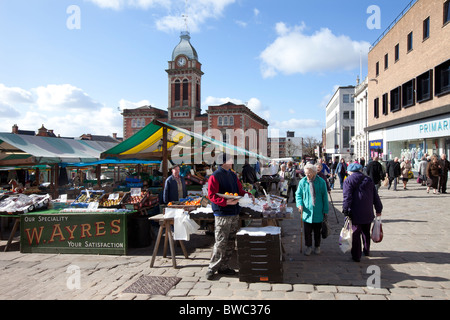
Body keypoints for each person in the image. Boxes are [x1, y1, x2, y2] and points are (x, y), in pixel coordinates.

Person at [206, 153, 253, 280]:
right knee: (221, 241)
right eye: (230, 159)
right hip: (222, 213)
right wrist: (226, 202)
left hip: (234, 212)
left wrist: (248, 194)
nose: (232, 161)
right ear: (223, 162)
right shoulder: (215, 176)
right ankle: (212, 267)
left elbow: (239, 190)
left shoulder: (232, 174)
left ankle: (224, 266)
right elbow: (211, 195)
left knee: (231, 241)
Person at [342, 163, 382, 262]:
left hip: (355, 212)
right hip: (367, 211)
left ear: (350, 171)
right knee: (366, 232)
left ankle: (356, 255)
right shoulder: (368, 180)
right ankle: (367, 250)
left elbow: (347, 197)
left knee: (355, 234)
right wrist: (378, 209)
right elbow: (375, 196)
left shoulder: (348, 180)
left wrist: (345, 210)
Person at [295, 163, 329, 256]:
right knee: (307, 231)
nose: (307, 176)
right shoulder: (302, 182)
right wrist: (299, 204)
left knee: (317, 231)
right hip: (307, 211)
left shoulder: (321, 182)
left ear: (314, 172)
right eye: (306, 174)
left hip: (318, 211)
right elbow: (298, 195)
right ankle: (308, 246)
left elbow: (325, 197)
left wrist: (325, 210)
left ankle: (317, 246)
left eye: (309, 174)